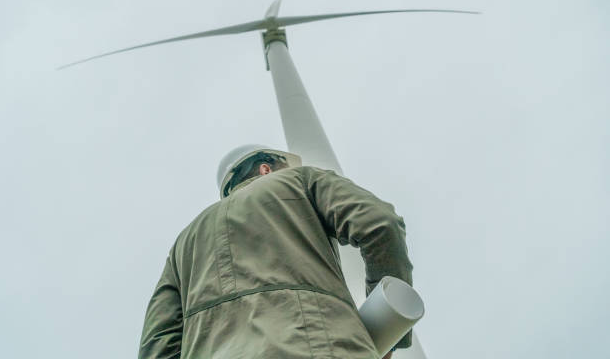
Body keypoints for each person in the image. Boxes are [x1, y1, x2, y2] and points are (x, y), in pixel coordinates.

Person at [139, 145, 414, 359]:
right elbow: (380, 223)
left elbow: (157, 343)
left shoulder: (183, 244)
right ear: (265, 169)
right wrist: (390, 329)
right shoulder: (299, 180)